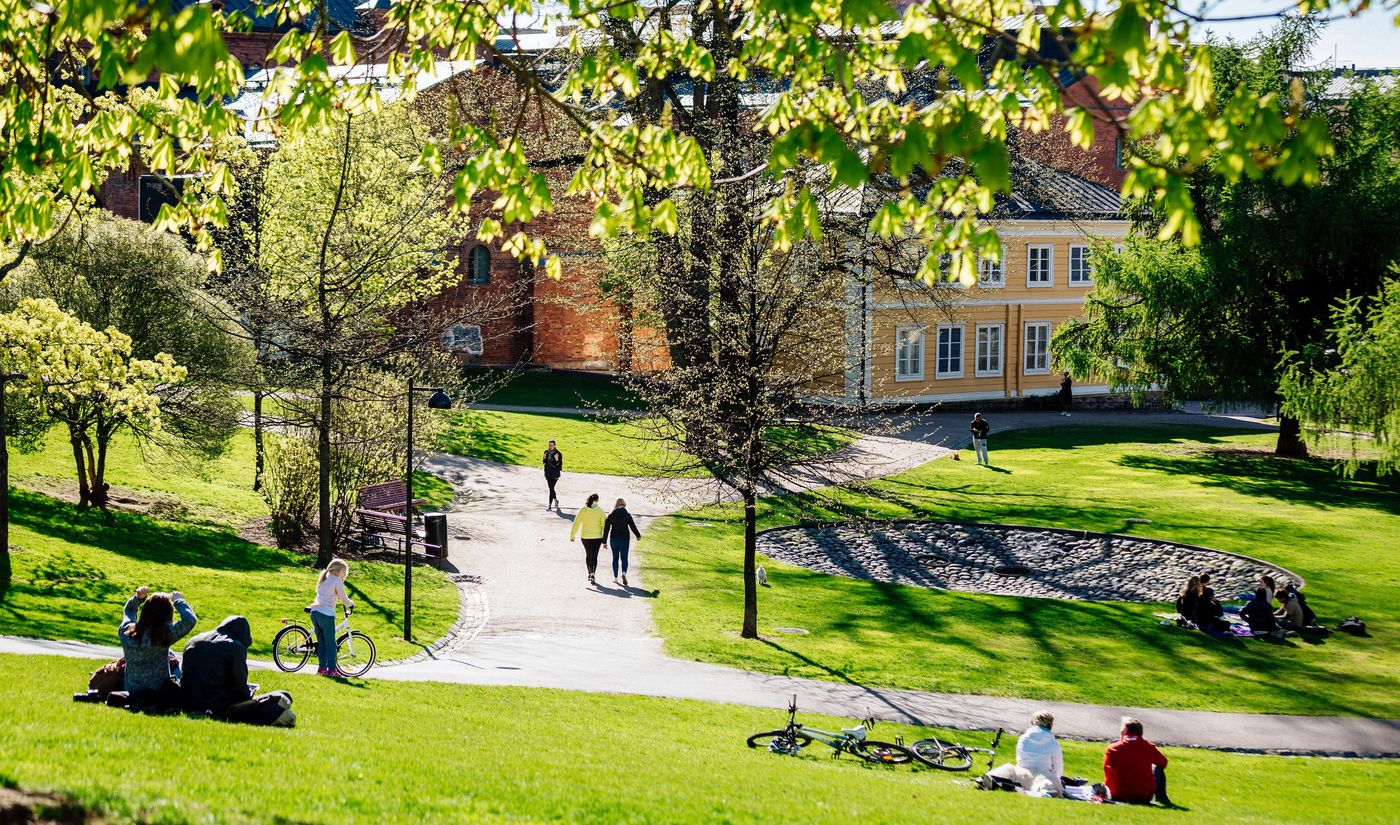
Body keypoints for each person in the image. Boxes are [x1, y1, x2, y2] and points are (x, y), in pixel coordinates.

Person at [182, 616, 295, 727]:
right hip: (219, 706)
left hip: (188, 701)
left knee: (280, 700)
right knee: (284, 697)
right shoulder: (235, 647)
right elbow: (240, 691)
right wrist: (250, 692)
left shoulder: (194, 640)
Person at [119, 587, 197, 708]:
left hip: (132, 690)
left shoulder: (126, 631)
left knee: (169, 653)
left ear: (145, 612)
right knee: (183, 663)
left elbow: (129, 611)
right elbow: (190, 620)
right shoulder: (164, 635)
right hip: (159, 692)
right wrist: (179, 600)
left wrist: (138, 598)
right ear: (167, 616)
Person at [982, 710, 1064, 796]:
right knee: (1050, 783)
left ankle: (994, 779)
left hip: (1021, 773)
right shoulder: (1053, 744)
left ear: (1033, 722)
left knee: (1008, 769)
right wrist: (1056, 779)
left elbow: (1019, 759)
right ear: (1050, 725)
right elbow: (1058, 768)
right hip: (1041, 776)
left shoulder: (1023, 738)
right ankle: (1044, 791)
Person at [1103, 717, 1171, 805]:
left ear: (1124, 731)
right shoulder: (1148, 747)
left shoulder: (1112, 748)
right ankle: (1162, 797)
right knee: (1158, 767)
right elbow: (1163, 763)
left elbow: (1107, 770)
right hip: (1143, 796)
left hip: (1117, 794)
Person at [309, 559, 354, 677]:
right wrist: (351, 604)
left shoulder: (324, 578)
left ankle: (322, 668)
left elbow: (327, 595)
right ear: (339, 571)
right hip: (326, 614)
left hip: (315, 612)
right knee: (331, 644)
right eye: (344, 572)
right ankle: (332, 670)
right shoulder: (337, 580)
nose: (344, 575)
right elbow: (344, 598)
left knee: (322, 642)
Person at [603, 497, 642, 586]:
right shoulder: (627, 515)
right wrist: (638, 535)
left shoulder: (611, 515)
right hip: (624, 539)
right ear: (624, 504)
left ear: (615, 505)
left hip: (614, 539)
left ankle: (615, 578)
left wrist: (604, 541)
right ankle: (624, 573)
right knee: (624, 557)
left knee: (615, 558)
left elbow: (606, 529)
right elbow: (633, 526)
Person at [570, 493, 607, 585]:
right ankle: (593, 573)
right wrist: (604, 539)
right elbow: (604, 526)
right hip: (597, 537)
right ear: (597, 501)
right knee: (594, 555)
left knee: (588, 554)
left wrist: (572, 535)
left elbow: (576, 523)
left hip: (585, 536)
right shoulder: (600, 511)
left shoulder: (583, 509)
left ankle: (589, 573)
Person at [543, 440, 564, 510]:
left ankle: (549, 505)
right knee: (551, 488)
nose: (550, 447)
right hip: (548, 473)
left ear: (555, 445)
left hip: (555, 474)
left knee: (551, 488)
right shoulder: (546, 452)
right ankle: (556, 500)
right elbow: (544, 462)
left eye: (551, 445)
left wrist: (557, 459)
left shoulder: (558, 453)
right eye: (549, 445)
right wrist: (544, 458)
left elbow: (559, 465)